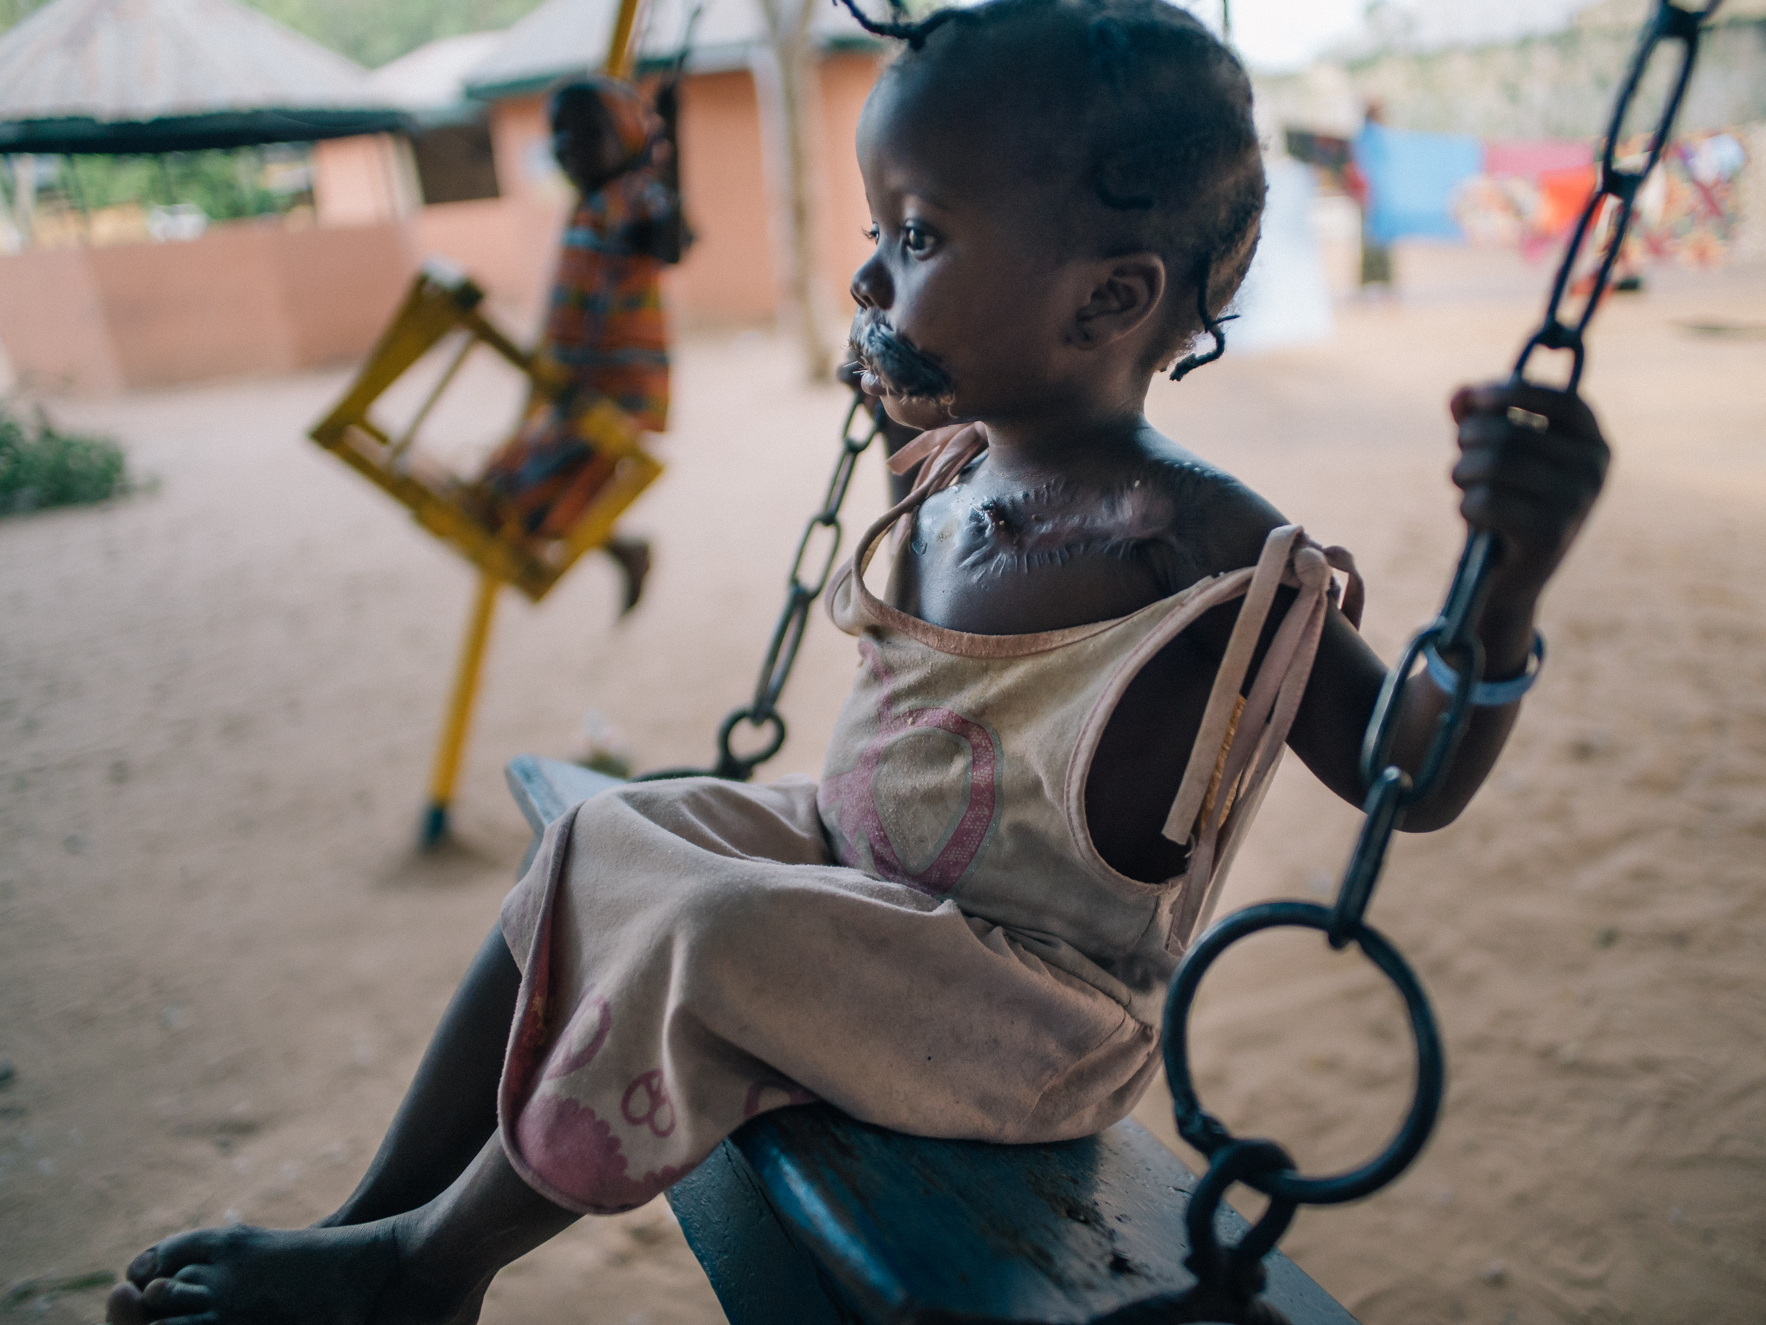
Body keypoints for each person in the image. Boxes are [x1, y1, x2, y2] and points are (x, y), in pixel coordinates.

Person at [107, 2, 1608, 1319]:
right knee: (604, 832)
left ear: (1107, 300)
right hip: (856, 875)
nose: (870, 279)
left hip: (1027, 1012)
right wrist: (906, 387)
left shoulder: (1209, 545)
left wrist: (1505, 581)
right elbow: (922, 576)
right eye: (880, 233)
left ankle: (428, 1267)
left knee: (722, 927)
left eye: (918, 239)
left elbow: (1403, 775)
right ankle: (372, 1215)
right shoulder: (953, 469)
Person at [474, 76, 688, 615]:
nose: (568, 147)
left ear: (626, 135)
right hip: (582, 386)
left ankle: (622, 551)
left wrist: (673, 143)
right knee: (536, 481)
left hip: (618, 389)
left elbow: (672, 240)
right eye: (558, 137)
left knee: (517, 490)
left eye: (586, 134)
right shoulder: (592, 202)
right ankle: (622, 550)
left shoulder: (634, 197)